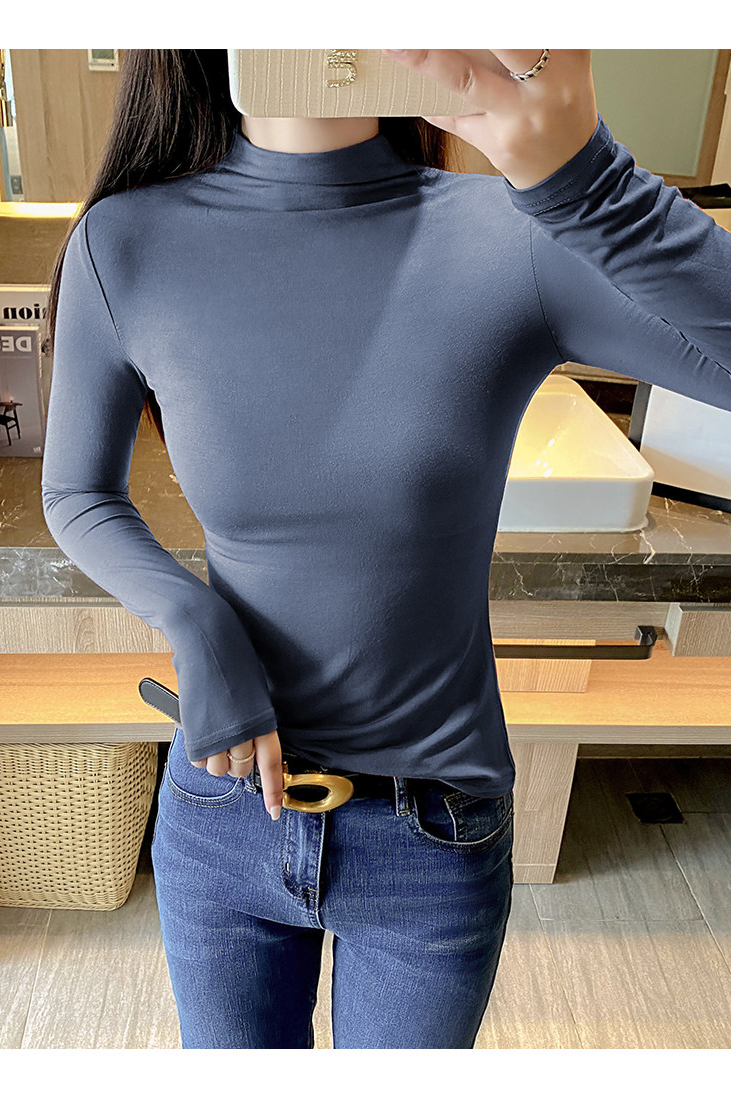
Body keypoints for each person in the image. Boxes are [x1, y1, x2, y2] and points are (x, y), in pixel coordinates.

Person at [41, 49, 731, 1049]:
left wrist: (587, 181)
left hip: (432, 837)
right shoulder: (127, 241)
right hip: (222, 812)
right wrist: (195, 621)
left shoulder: (511, 235)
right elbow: (76, 492)